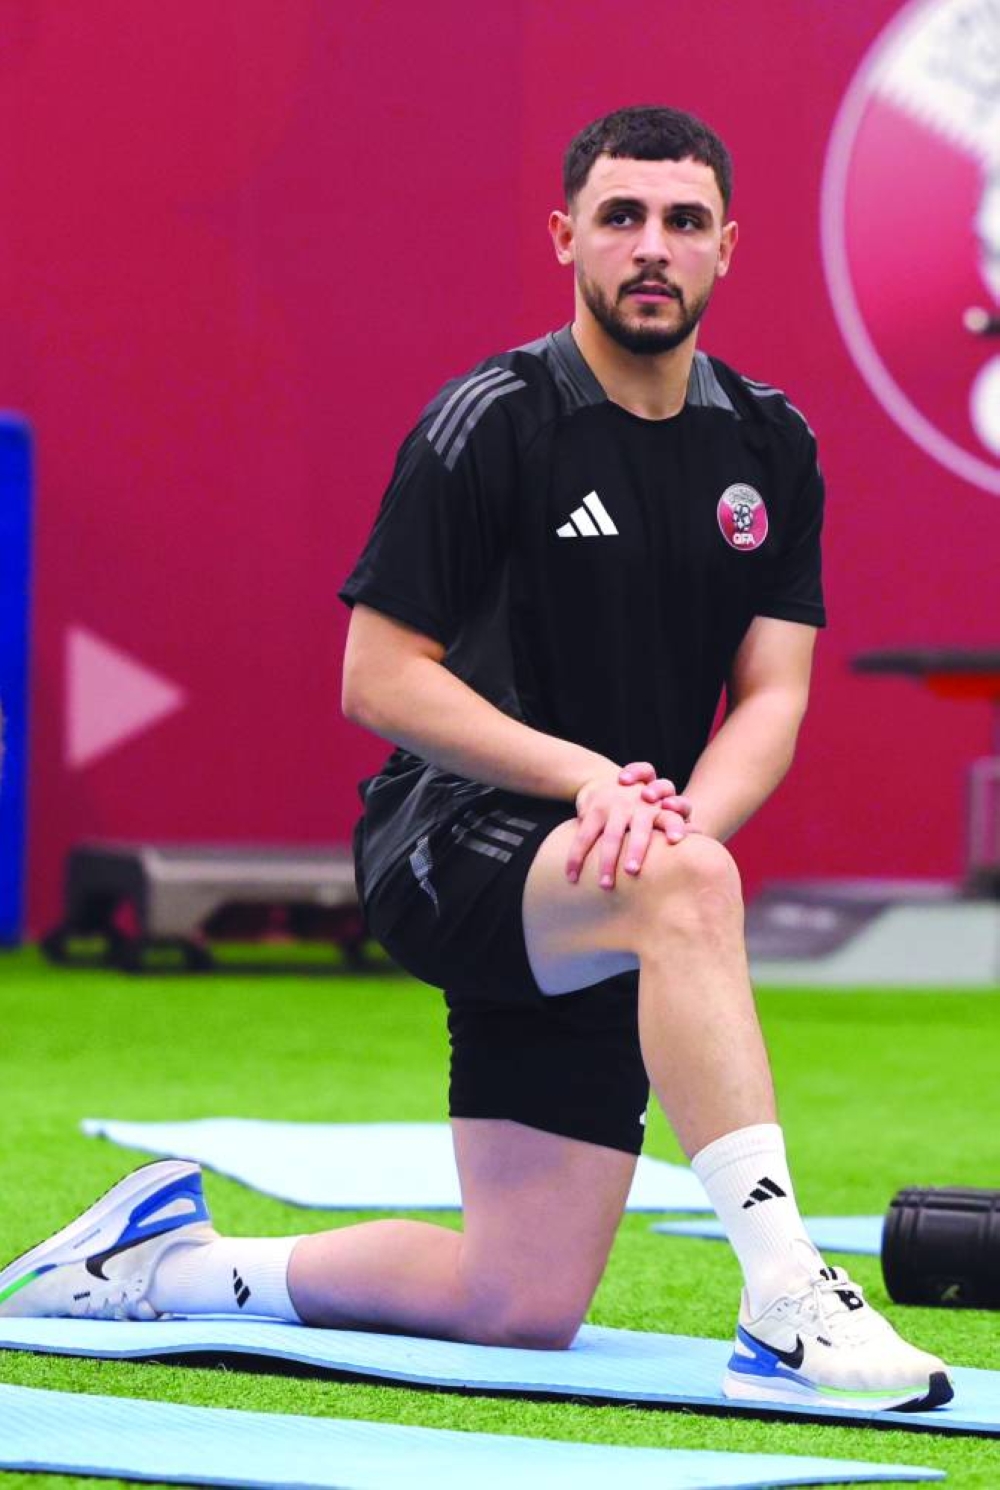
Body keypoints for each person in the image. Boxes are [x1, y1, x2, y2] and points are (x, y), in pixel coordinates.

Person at [0, 106, 952, 1412]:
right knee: (689, 890)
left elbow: (772, 695)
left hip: (603, 869)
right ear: (567, 238)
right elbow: (378, 677)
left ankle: (169, 1260)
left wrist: (669, 829)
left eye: (683, 221)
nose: (652, 246)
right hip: (449, 838)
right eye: (621, 217)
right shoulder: (492, 422)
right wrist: (596, 790)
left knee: (516, 1302)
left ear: (730, 247)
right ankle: (786, 1289)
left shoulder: (772, 446)